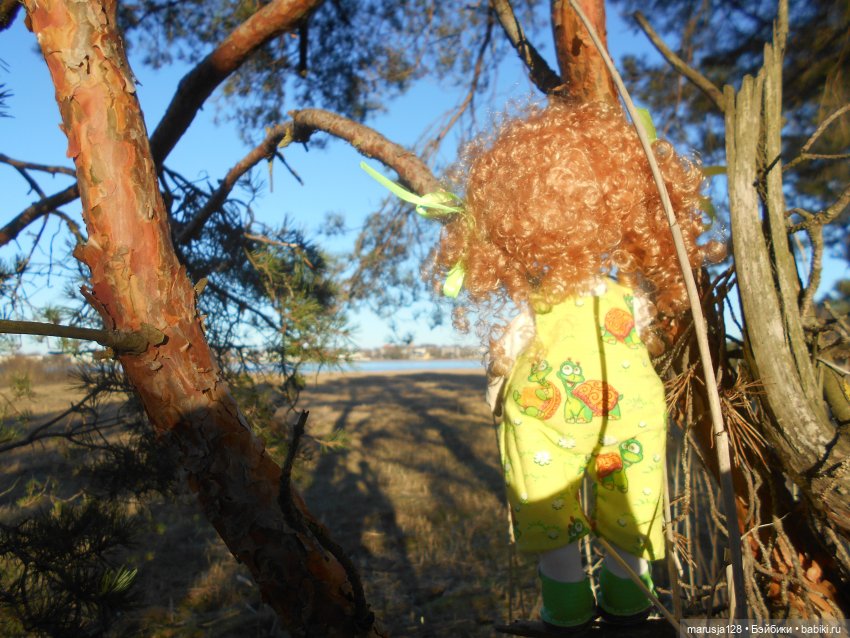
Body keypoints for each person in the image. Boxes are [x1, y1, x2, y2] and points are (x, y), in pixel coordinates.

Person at [426, 99, 722, 630]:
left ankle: (567, 610)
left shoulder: (539, 303)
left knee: (547, 506)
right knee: (630, 507)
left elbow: (506, 356)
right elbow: (643, 339)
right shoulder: (628, 298)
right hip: (629, 414)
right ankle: (629, 602)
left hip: (547, 419)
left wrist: (498, 384)